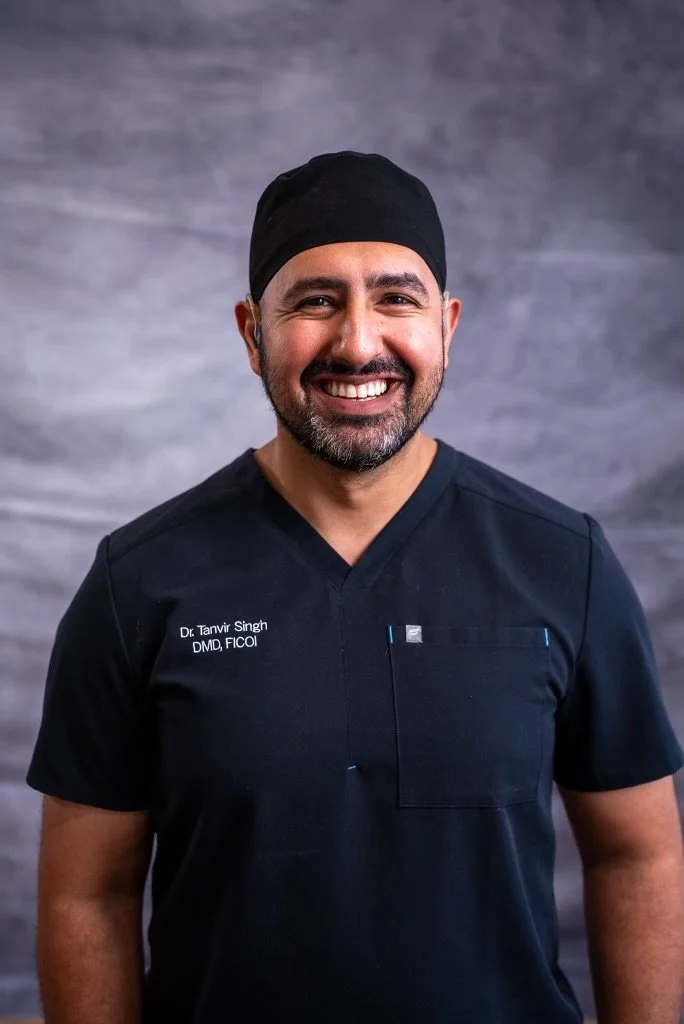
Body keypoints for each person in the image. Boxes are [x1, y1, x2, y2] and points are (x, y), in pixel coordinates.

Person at [27, 151, 684, 1024]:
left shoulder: (565, 563)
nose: (359, 342)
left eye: (397, 298)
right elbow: (89, 894)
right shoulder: (139, 582)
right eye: (315, 300)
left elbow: (637, 857)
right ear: (251, 333)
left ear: (446, 325)